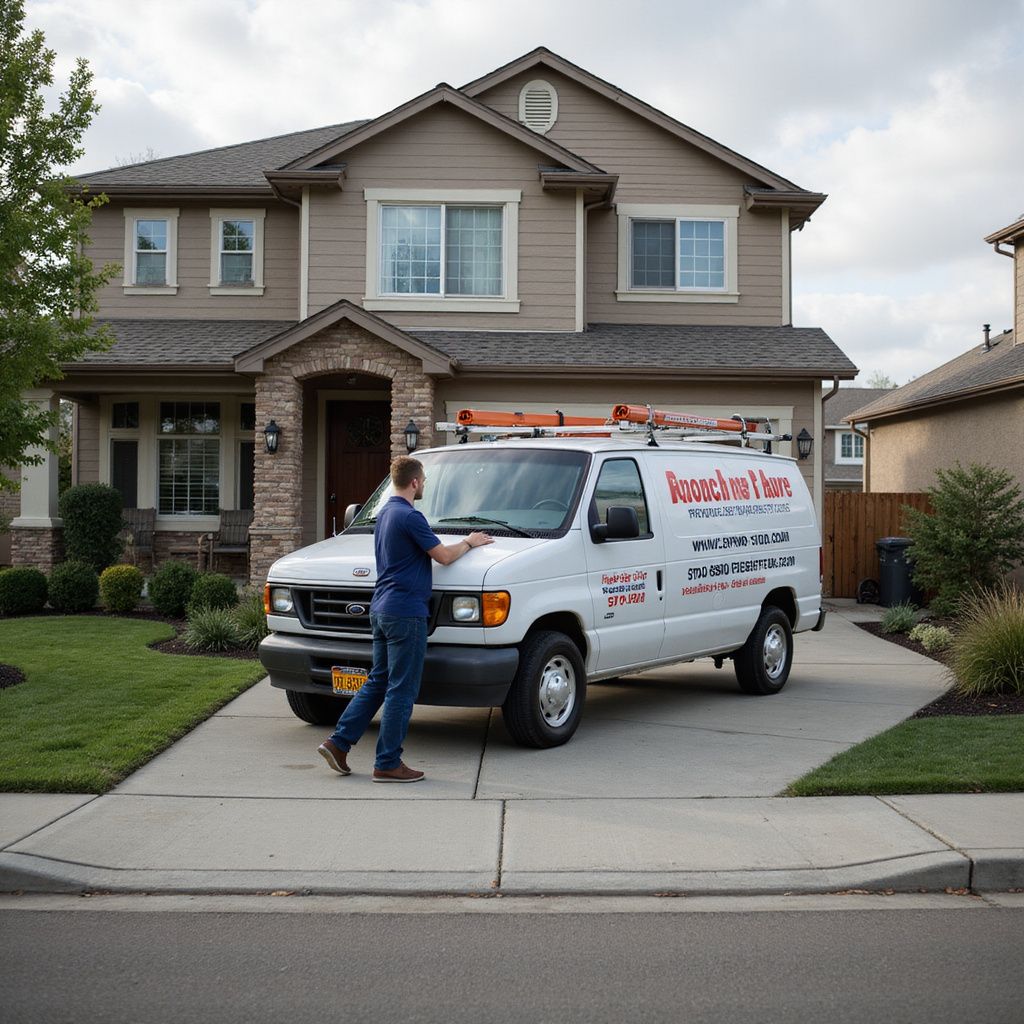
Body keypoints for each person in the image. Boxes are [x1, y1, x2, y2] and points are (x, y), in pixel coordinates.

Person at [317, 455, 493, 782]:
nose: (424, 484)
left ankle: (338, 743)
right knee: (402, 689)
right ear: (414, 482)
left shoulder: (383, 515)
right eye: (423, 480)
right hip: (405, 613)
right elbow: (442, 555)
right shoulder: (411, 517)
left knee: (379, 681)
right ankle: (387, 763)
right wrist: (469, 541)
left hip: (381, 609)